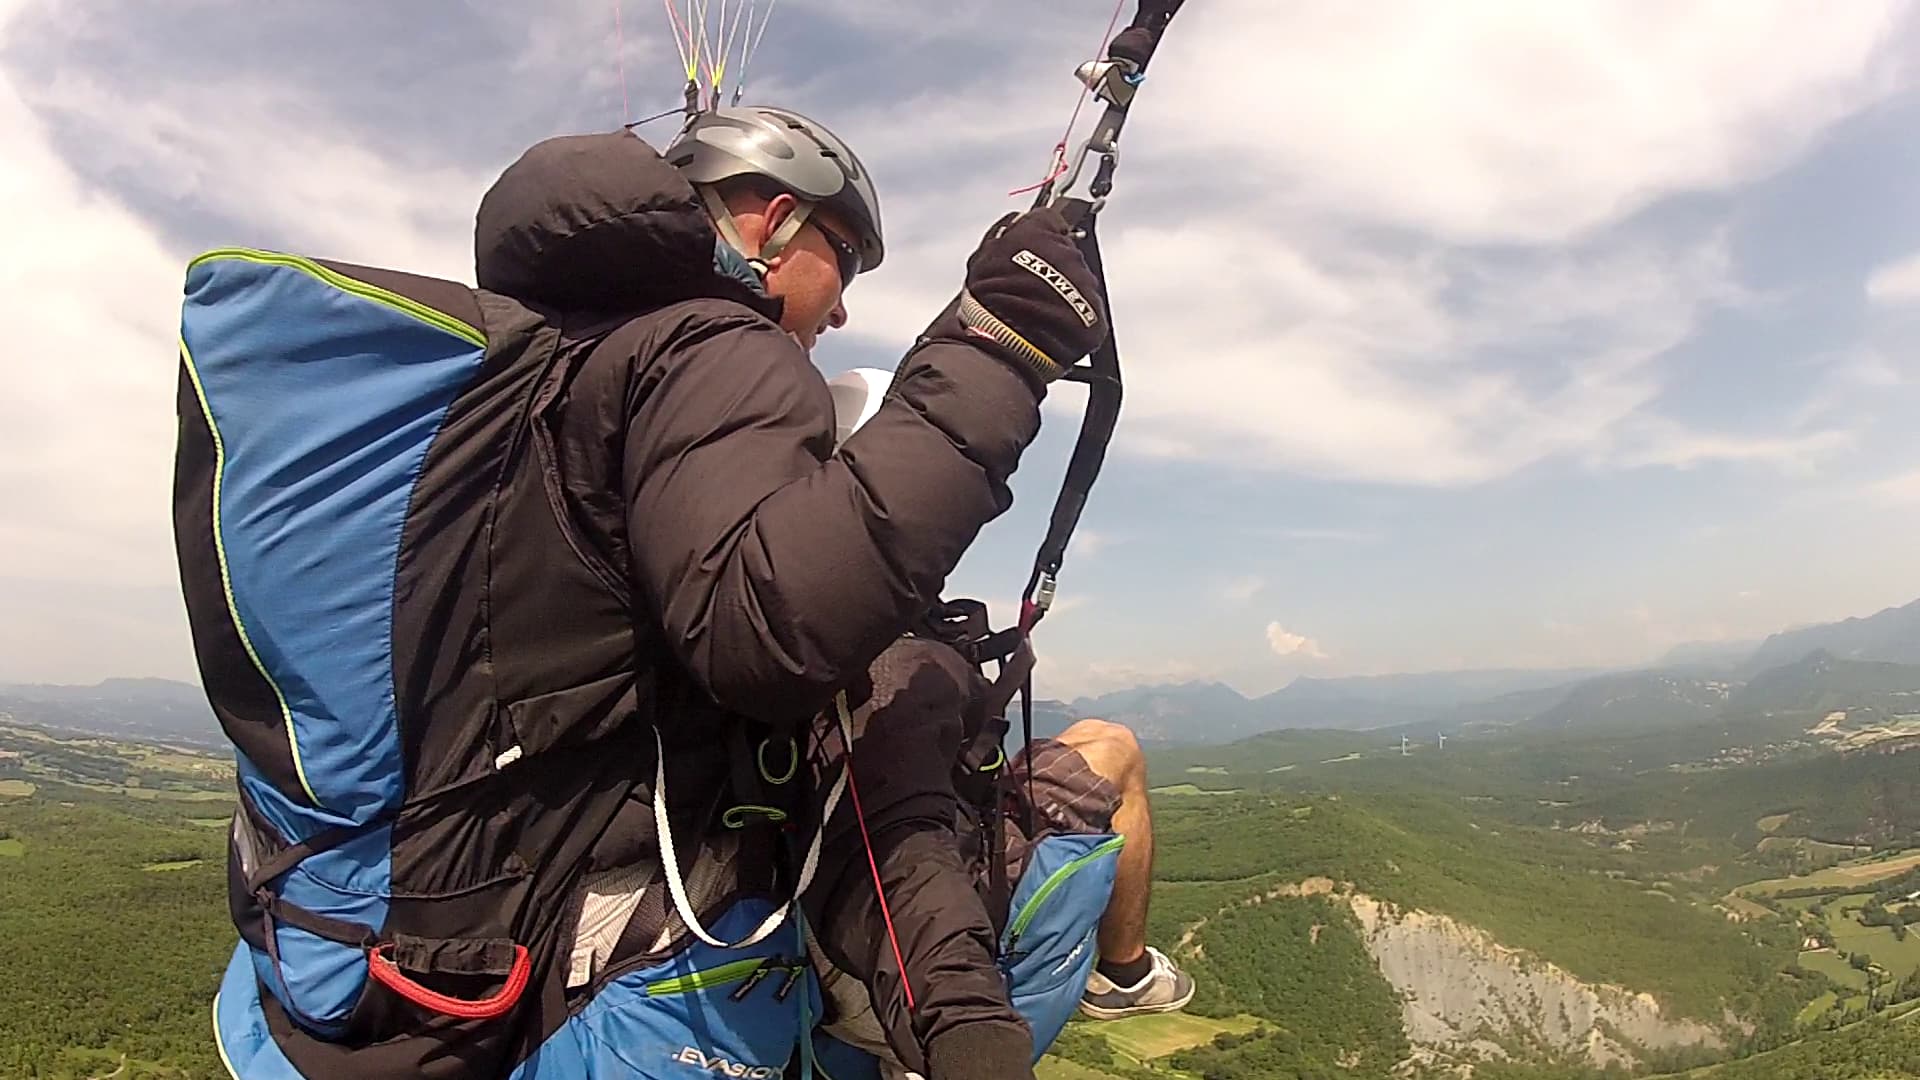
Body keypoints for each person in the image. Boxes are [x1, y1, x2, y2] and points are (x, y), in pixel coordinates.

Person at [187, 104, 1113, 1077]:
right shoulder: (709, 344)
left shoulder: (540, 374)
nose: (841, 309)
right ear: (775, 223)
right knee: (1094, 790)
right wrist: (997, 346)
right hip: (574, 985)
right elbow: (773, 628)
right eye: (843, 258)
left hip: (352, 949)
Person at [797, 380, 1195, 1080]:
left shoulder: (786, 620)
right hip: (897, 983)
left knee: (1086, 736)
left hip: (830, 929)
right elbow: (903, 857)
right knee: (1116, 751)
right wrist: (965, 1024)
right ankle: (1125, 974)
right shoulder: (890, 669)